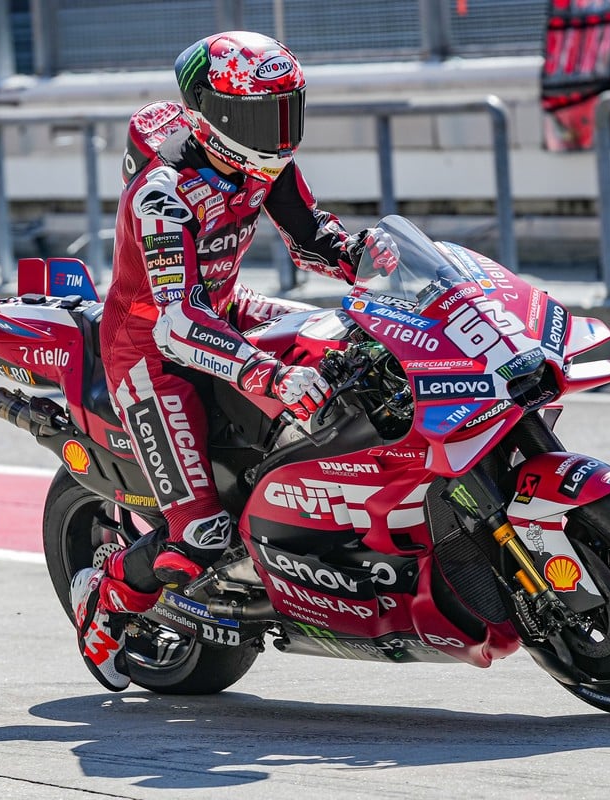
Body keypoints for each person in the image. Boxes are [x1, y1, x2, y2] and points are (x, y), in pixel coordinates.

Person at [69, 30, 394, 691]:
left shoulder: (264, 163)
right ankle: (103, 605)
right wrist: (269, 375)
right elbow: (177, 324)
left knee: (358, 351)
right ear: (211, 113)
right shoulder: (163, 192)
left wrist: (375, 259)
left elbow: (312, 240)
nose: (278, 133)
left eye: (287, 111)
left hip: (228, 308)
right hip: (149, 348)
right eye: (259, 116)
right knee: (198, 538)